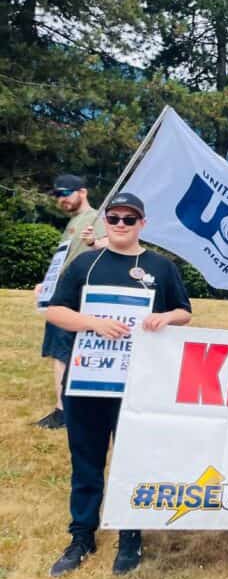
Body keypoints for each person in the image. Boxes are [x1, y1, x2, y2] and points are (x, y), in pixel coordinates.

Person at [45, 192, 192, 576]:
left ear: (143, 223)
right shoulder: (86, 264)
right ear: (106, 221)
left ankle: (130, 534)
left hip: (138, 384)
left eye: (130, 219)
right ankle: (81, 535)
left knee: (134, 459)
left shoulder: (160, 267)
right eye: (115, 219)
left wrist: (166, 319)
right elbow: (57, 310)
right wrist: (94, 323)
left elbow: (185, 311)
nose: (122, 225)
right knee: (87, 461)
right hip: (88, 380)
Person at [34, 174, 107, 429]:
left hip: (76, 296)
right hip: (62, 292)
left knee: (61, 350)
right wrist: (47, 284)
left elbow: (113, 243)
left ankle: (63, 411)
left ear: (82, 192)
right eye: (57, 195)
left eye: (65, 193)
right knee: (61, 349)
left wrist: (95, 241)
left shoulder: (94, 218)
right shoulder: (75, 222)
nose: (61, 199)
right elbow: (64, 261)